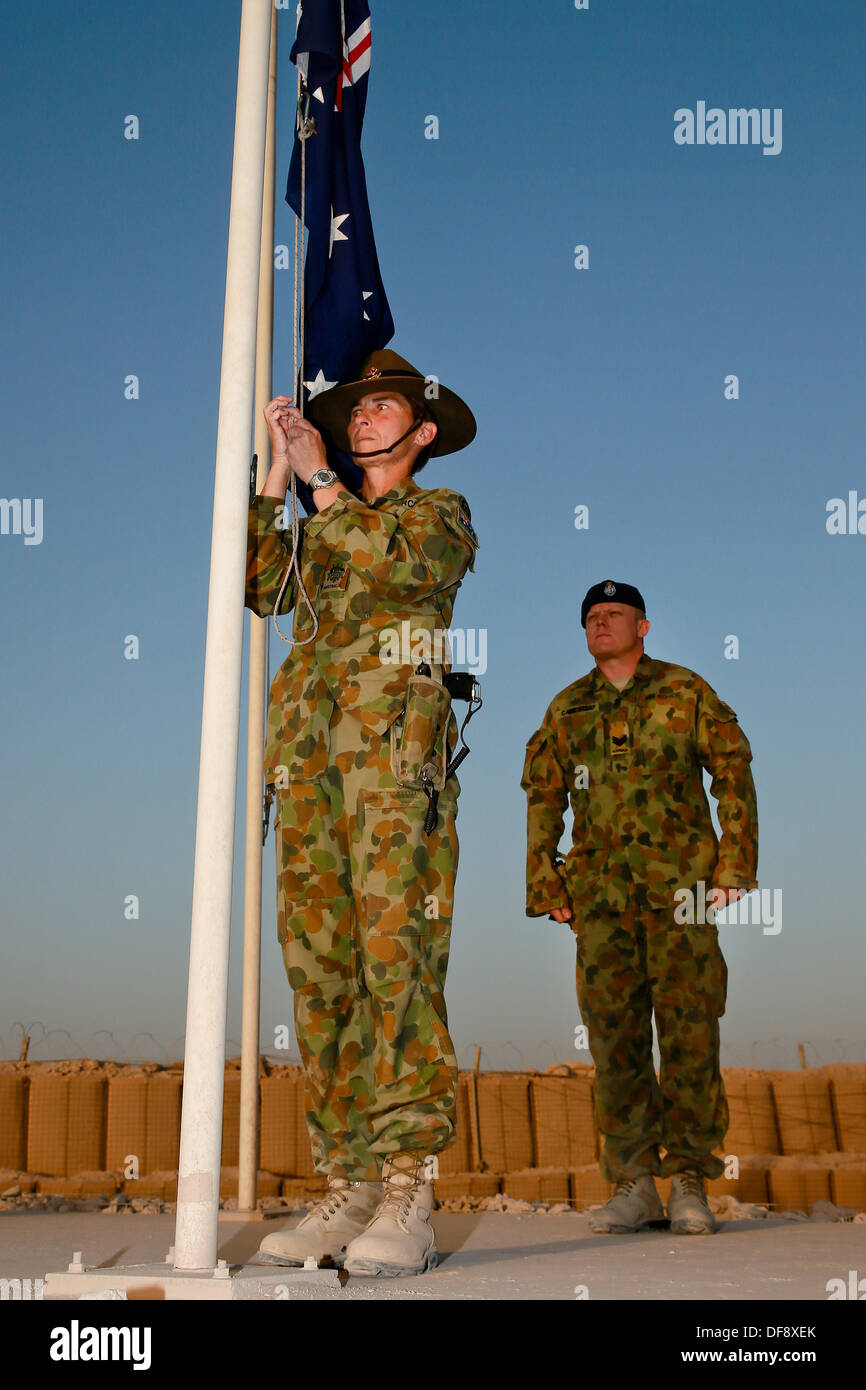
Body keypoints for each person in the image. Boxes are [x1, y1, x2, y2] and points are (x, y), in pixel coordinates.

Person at [245, 350, 479, 1276]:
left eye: (384, 408)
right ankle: (344, 1184)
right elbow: (262, 586)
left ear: (422, 433)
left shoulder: (438, 516)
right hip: (306, 771)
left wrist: (319, 486)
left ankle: (407, 1190)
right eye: (356, 410)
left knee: (397, 971)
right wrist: (277, 470)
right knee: (321, 978)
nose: (365, 419)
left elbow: (394, 572)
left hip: (392, 776)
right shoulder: (318, 527)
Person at [521, 580, 758, 1235]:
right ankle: (633, 1182)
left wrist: (734, 865)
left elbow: (731, 768)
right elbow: (544, 797)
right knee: (615, 1043)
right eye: (592, 618)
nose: (601, 624)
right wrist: (547, 885)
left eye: (614, 615)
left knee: (689, 1034)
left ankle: (687, 1180)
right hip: (601, 902)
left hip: (682, 893)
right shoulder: (567, 708)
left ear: (643, 626)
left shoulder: (685, 692)